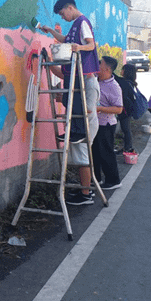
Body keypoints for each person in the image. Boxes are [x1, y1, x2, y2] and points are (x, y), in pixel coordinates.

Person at [41, 0, 100, 142]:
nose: (62, 17)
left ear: (70, 8)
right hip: (70, 69)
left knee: (76, 102)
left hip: (80, 69)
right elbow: (64, 40)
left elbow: (91, 45)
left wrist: (79, 47)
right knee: (68, 100)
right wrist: (51, 31)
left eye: (62, 14)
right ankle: (71, 131)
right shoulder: (75, 25)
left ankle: (79, 132)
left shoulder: (83, 22)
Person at [65, 74, 101, 205]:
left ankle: (85, 195)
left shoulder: (90, 84)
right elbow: (63, 74)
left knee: (83, 159)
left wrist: (69, 103)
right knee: (82, 158)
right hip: (81, 125)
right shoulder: (83, 79)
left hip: (85, 126)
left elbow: (89, 109)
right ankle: (85, 189)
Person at [93, 56, 123, 190]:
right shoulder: (95, 79)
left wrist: (99, 108)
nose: (96, 64)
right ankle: (96, 179)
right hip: (95, 123)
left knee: (106, 153)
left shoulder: (113, 86)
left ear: (107, 68)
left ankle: (113, 180)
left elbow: (119, 109)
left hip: (106, 124)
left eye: (100, 63)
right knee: (95, 152)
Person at [114, 63, 137, 154]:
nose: (121, 71)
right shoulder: (131, 82)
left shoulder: (125, 83)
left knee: (126, 129)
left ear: (126, 72)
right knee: (126, 129)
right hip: (128, 110)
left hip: (125, 111)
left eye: (122, 69)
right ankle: (128, 147)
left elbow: (115, 77)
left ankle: (128, 148)